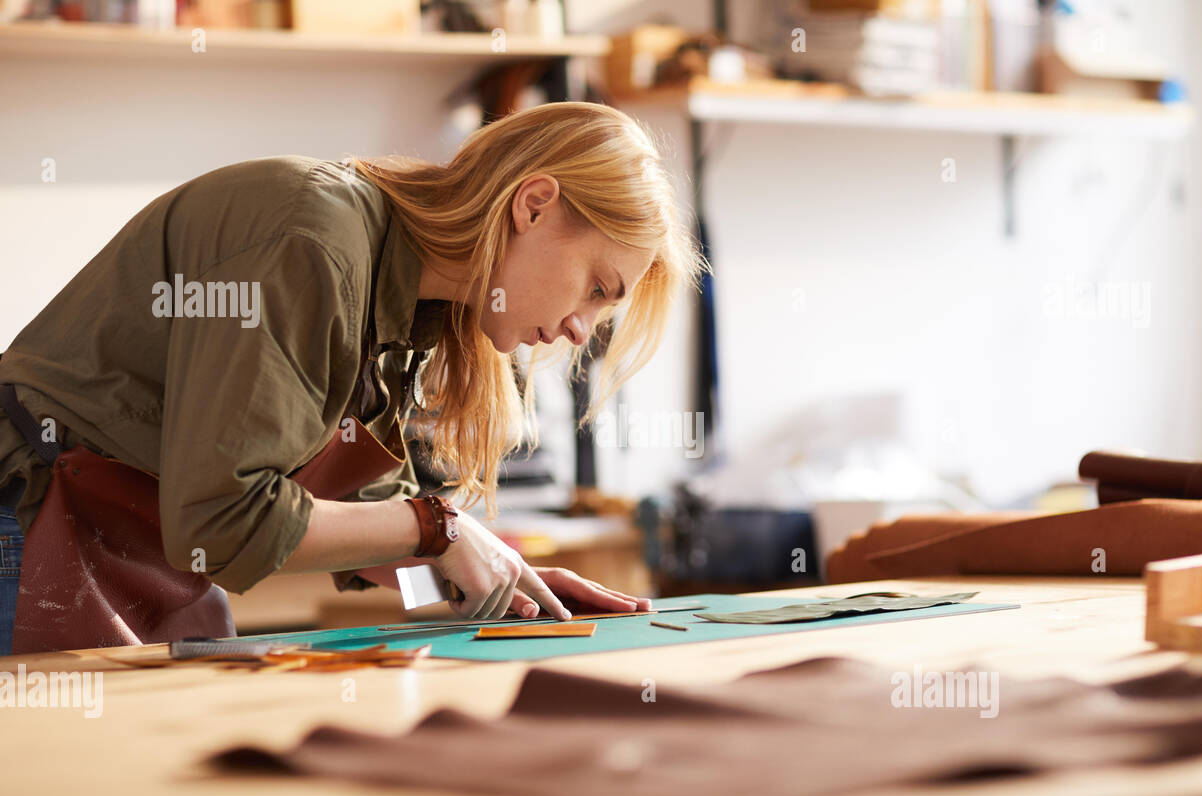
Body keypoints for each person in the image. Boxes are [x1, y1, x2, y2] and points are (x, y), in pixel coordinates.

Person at [0, 101, 706, 656]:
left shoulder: (412, 300)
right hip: (26, 516)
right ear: (534, 203)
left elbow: (357, 513)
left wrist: (496, 587)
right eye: (595, 287)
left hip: (125, 543)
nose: (582, 329)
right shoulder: (313, 238)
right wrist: (441, 527)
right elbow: (221, 522)